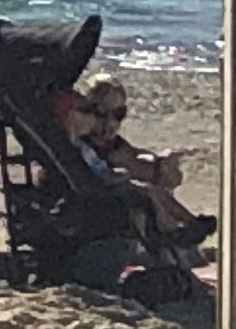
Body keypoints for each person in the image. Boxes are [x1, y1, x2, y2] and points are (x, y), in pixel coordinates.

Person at [74, 75, 203, 243]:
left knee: (155, 189)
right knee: (149, 193)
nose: (110, 122)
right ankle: (173, 230)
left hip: (119, 195)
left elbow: (135, 155)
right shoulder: (86, 146)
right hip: (103, 205)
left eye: (118, 114)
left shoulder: (114, 143)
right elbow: (131, 165)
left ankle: (190, 224)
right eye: (101, 113)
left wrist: (160, 161)